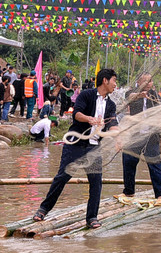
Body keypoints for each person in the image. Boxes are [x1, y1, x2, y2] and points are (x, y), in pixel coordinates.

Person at [31, 69, 120, 228]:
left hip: (93, 147)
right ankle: (43, 209)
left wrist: (118, 135)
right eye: (114, 80)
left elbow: (112, 124)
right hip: (75, 143)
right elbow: (77, 114)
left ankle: (92, 218)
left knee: (96, 182)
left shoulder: (111, 104)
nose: (115, 84)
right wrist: (90, 120)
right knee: (62, 177)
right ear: (105, 80)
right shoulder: (86, 95)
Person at [118, 72, 161, 204]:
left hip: (151, 136)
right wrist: (140, 95)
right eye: (145, 81)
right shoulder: (131, 93)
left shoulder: (155, 95)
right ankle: (129, 191)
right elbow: (129, 98)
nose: (149, 84)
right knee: (128, 161)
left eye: (150, 81)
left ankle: (160, 195)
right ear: (138, 82)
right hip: (135, 136)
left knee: (154, 163)